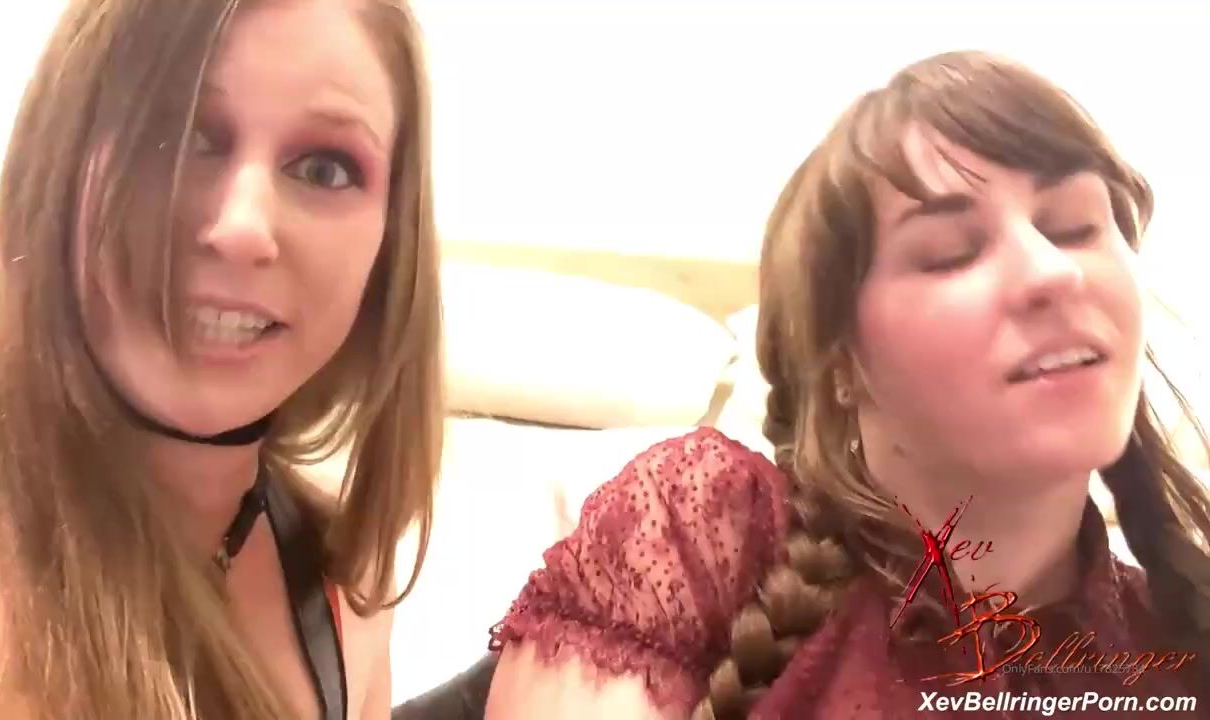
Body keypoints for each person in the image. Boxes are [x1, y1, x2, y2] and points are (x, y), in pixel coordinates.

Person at [484, 51, 1210, 719]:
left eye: (1077, 226)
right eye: (950, 254)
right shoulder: (705, 533)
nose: (1054, 270)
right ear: (839, 367)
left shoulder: (1177, 640)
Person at [0, 0, 442, 718]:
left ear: (390, 246)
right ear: (61, 153)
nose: (243, 228)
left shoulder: (344, 605)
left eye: (324, 168)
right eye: (177, 136)